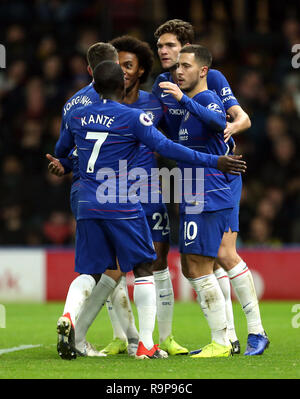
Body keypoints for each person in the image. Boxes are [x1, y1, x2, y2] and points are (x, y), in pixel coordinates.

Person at [57, 59, 246, 360]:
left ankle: (68, 317)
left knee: (91, 271)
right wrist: (214, 161)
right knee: (145, 266)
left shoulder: (77, 114)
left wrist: (63, 164)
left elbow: (61, 152)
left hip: (88, 203)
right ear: (122, 85)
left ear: (94, 84)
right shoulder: (133, 117)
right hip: (121, 200)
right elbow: (169, 148)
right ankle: (145, 344)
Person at [152, 19, 269, 356]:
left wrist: (227, 132)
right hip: (190, 176)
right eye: (160, 46)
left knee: (211, 258)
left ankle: (238, 336)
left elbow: (237, 117)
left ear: (189, 53)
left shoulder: (210, 80)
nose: (164, 51)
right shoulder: (163, 85)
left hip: (214, 175)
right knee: (215, 257)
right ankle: (234, 336)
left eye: (171, 46)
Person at [97, 34, 188, 356]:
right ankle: (122, 336)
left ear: (140, 71)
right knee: (113, 266)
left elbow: (175, 139)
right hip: (110, 192)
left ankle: (165, 338)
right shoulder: (101, 103)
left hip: (150, 191)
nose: (122, 70)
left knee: (158, 263)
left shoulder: (155, 102)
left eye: (128, 65)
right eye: (117, 65)